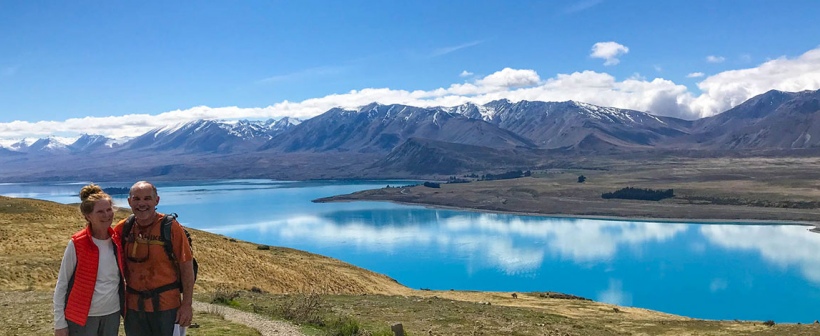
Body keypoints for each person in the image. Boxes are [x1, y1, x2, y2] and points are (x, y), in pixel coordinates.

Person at [114, 181, 194, 336]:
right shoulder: (124, 227)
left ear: (156, 201)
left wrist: (187, 305)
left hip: (167, 307)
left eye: (147, 198)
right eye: (136, 199)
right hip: (134, 308)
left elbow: (186, 266)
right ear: (129, 201)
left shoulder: (170, 227)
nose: (142, 203)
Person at [53, 184, 124, 336]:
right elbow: (62, 284)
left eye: (108, 209)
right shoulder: (77, 243)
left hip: (112, 313)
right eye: (100, 211)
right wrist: (59, 323)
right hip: (82, 317)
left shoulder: (117, 240)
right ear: (88, 216)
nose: (106, 215)